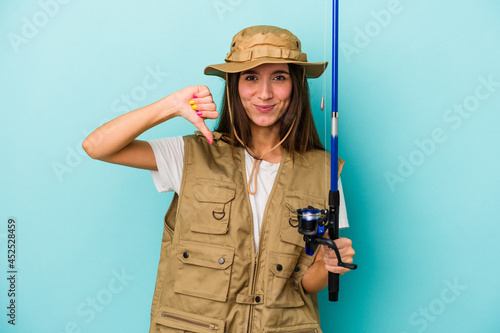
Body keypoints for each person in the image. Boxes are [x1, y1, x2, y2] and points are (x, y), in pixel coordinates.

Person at [83, 25, 355, 333]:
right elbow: (97, 146)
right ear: (233, 85)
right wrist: (171, 106)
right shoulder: (191, 155)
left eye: (279, 77)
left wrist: (329, 266)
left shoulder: (325, 171)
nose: (264, 93)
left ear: (296, 86)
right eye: (251, 77)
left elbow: (304, 284)